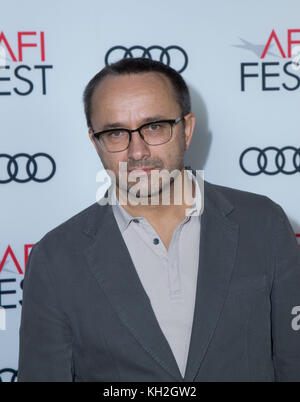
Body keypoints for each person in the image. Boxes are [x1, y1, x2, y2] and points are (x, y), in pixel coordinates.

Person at [18, 58, 300, 382]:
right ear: (95, 142)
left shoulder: (262, 223)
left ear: (187, 129)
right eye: (115, 133)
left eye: (154, 127)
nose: (137, 151)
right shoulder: (55, 258)